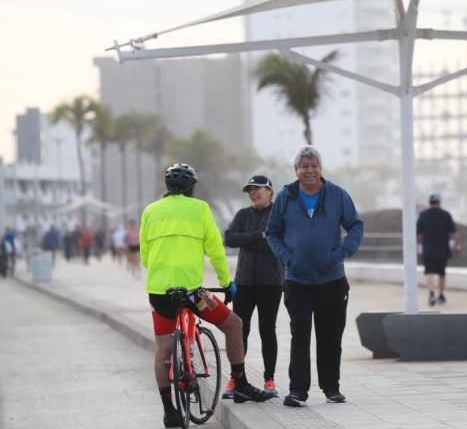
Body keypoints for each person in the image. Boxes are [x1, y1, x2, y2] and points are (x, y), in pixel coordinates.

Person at [141, 163, 275, 427]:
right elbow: (215, 249)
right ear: (192, 188)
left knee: (164, 350)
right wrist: (227, 284)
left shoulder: (150, 211)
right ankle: (241, 383)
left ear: (167, 187)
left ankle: (169, 411)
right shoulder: (200, 209)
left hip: (159, 292)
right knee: (234, 324)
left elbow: (145, 256)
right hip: (193, 293)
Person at [266, 146, 364, 408]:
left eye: (314, 165)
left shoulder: (337, 195)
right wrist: (287, 258)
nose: (309, 170)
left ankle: (332, 387)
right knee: (300, 336)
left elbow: (355, 224)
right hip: (297, 280)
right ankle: (298, 390)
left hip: (332, 279)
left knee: (330, 335)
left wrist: (342, 252)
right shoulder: (286, 197)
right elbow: (272, 233)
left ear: (321, 168)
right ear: (296, 170)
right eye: (304, 166)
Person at [223, 175, 283, 399]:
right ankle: (236, 379)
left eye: (258, 188)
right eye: (250, 190)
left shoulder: (279, 214)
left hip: (271, 282)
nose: (253, 193)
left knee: (267, 330)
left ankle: (269, 379)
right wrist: (258, 235)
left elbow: (277, 243)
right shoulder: (243, 215)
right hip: (245, 282)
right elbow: (229, 239)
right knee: (240, 331)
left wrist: (247, 240)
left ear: (270, 191)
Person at [417, 193, 460, 306]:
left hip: (428, 249)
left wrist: (418, 247)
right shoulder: (446, 214)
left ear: (429, 202)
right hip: (442, 249)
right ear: (439, 202)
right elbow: (453, 232)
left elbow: (418, 235)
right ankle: (441, 295)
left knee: (429, 272)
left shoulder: (423, 215)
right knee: (442, 273)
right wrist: (457, 245)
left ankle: (431, 294)